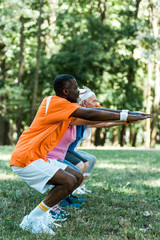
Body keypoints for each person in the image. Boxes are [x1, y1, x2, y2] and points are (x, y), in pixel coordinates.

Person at [10, 74, 151, 236]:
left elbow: (96, 113)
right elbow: (90, 115)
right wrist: (125, 116)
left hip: (38, 158)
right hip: (26, 158)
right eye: (75, 89)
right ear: (65, 91)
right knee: (68, 181)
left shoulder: (66, 109)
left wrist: (127, 114)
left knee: (76, 177)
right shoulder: (54, 103)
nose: (78, 92)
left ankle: (42, 214)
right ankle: (32, 219)